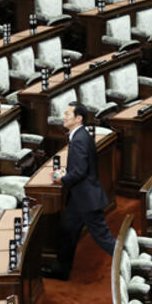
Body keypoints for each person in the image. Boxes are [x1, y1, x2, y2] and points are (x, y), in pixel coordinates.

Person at [40, 102, 116, 280]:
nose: (64, 117)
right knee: (67, 231)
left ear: (78, 118)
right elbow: (81, 167)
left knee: (103, 237)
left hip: (86, 198)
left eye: (67, 114)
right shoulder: (80, 135)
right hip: (79, 197)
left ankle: (130, 262)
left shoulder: (80, 138)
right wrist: (67, 172)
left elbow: (81, 171)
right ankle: (60, 271)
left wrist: (62, 178)